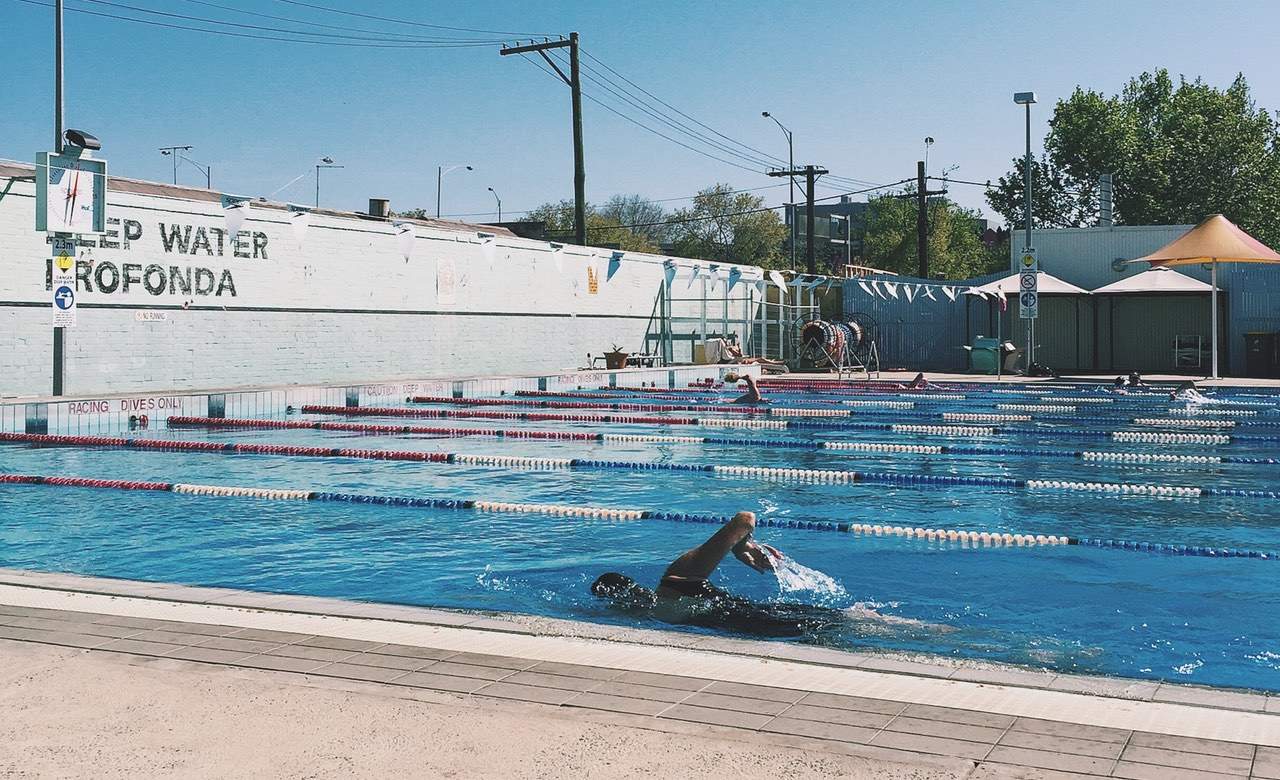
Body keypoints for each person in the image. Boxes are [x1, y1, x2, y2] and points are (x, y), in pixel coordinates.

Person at [590, 511, 837, 637]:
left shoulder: (672, 587)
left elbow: (745, 519)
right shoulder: (671, 587)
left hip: (773, 627)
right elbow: (744, 522)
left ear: (618, 602)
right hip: (781, 622)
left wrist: (741, 544)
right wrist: (741, 546)